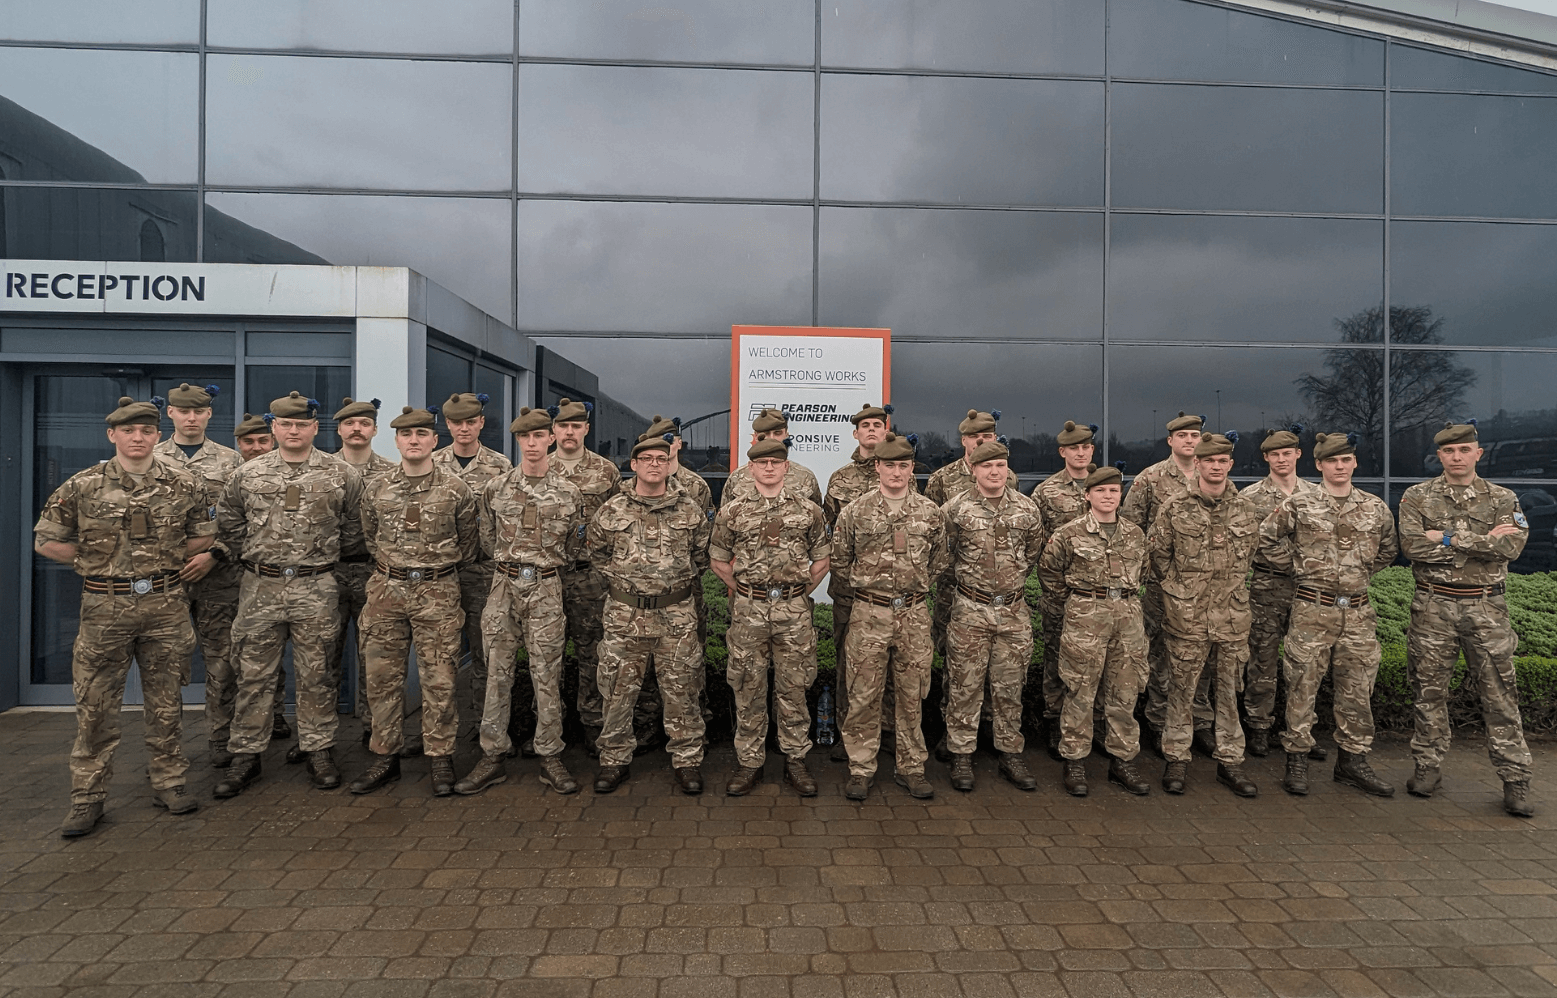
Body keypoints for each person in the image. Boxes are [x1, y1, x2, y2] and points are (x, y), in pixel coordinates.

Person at [37, 396, 215, 838]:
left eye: (146, 431)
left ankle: (170, 783)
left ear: (158, 435)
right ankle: (87, 798)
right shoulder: (83, 486)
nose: (138, 438)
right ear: (112, 434)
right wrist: (96, 561)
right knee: (96, 705)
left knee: (166, 701)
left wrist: (163, 557)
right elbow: (47, 540)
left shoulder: (185, 483)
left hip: (165, 604)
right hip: (104, 606)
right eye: (129, 431)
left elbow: (204, 535)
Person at [213, 392, 364, 799]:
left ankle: (319, 749)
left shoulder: (340, 474)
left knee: (318, 672)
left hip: (316, 585)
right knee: (253, 674)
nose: (294, 430)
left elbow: (354, 528)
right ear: (274, 428)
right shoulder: (248, 474)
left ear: (315, 428)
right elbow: (228, 524)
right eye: (286, 424)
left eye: (302, 424)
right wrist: (263, 556)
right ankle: (246, 753)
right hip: (261, 586)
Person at [1398, 420, 1535, 817]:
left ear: (1479, 453)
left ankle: (1515, 779)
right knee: (1428, 690)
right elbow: (1411, 548)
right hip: (1433, 606)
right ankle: (1427, 766)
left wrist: (1445, 538)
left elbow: (1510, 547)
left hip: (1486, 608)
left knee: (1499, 695)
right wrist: (1484, 543)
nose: (1456, 457)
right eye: (1448, 451)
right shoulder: (1417, 496)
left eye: (1464, 450)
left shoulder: (1503, 497)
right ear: (1439, 455)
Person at [1258, 432, 1398, 799]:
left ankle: (1352, 760)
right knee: (1302, 683)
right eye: (1332, 461)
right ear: (1318, 465)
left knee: (1357, 688)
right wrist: (1298, 567)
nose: (1340, 466)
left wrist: (1358, 574)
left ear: (1354, 463)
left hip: (1356, 611)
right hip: (1311, 608)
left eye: (1346, 459)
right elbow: (1265, 539)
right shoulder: (1299, 505)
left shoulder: (1374, 507)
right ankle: (1297, 757)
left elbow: (1388, 549)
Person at [347, 406, 478, 797]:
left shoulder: (456, 489)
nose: (415, 441)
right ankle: (385, 756)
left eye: (422, 434)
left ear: (435, 441)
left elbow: (468, 544)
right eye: (407, 435)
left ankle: (441, 758)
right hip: (387, 590)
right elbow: (370, 538)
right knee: (382, 679)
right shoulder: (377, 488)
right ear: (397, 441)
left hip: (438, 592)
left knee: (440, 679)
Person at [152, 383, 283, 768]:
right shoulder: (152, 459)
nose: (190, 418)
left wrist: (215, 552)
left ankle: (220, 738)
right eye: (182, 411)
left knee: (223, 664)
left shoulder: (233, 464)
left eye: (198, 412)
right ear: (170, 414)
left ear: (209, 415)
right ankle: (166, 750)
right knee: (165, 668)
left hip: (220, 579)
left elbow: (246, 521)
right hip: (165, 582)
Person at [456, 406, 585, 797]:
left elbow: (575, 545)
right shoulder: (497, 489)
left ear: (551, 439)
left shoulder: (569, 492)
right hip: (504, 587)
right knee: (497, 671)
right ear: (518, 441)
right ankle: (493, 755)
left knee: (548, 672)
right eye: (524, 438)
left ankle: (550, 754)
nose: (532, 443)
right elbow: (487, 539)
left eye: (539, 436)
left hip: (546, 587)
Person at [589, 434, 712, 795]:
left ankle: (687, 760)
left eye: (661, 458)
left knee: (683, 690)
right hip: (625, 617)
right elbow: (597, 555)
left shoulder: (689, 510)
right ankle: (614, 760)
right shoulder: (612, 510)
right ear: (635, 465)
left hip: (676, 616)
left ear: (669, 462)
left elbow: (700, 558)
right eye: (648, 459)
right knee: (616, 690)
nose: (655, 464)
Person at [709, 438, 830, 797]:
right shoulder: (733, 511)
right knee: (748, 685)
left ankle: (795, 760)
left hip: (793, 611)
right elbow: (717, 560)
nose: (769, 468)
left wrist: (799, 592)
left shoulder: (808, 511)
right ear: (750, 469)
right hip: (749, 611)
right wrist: (747, 590)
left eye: (776, 462)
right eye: (762, 463)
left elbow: (822, 558)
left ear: (786, 467)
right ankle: (750, 762)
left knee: (794, 686)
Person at [831, 432, 948, 801]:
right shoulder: (855, 511)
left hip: (913, 614)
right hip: (869, 613)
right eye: (889, 465)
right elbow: (839, 560)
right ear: (877, 466)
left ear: (911, 468)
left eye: (903, 465)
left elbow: (940, 561)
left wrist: (913, 589)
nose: (896, 472)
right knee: (863, 694)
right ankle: (861, 768)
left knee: (912, 694)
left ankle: (911, 767)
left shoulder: (929, 513)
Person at [1148, 432, 1262, 798]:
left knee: (1229, 693)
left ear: (1230, 464)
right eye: (1209, 460)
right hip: (1188, 618)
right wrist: (1178, 592)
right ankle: (1176, 758)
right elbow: (1158, 556)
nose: (1216, 466)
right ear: (1196, 463)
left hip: (1231, 617)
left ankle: (1230, 762)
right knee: (1181, 691)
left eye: (1223, 460)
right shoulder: (1174, 507)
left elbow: (1250, 554)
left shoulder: (1245, 509)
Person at [1038, 463, 1152, 797]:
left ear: (1121, 495)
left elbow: (1142, 572)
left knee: (1124, 691)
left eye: (1113, 491)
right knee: (1080, 691)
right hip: (1085, 617)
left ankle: (1122, 760)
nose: (1108, 496)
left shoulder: (1134, 534)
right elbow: (1050, 573)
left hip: (1127, 619)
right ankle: (1074, 760)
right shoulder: (1070, 533)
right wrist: (1076, 605)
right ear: (1087, 495)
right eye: (1100, 490)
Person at [940, 439, 1042, 792]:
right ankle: (961, 754)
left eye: (1000, 465)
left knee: (1010, 686)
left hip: (1013, 612)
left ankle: (1010, 753)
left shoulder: (1027, 510)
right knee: (964, 685)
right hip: (970, 609)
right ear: (974, 470)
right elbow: (944, 557)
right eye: (987, 466)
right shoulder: (955, 510)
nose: (995, 472)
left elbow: (1031, 554)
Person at [1122, 411, 1212, 755]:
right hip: (1164, 588)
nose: (1190, 441)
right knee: (1160, 654)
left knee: (1203, 656)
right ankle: (1159, 721)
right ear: (1171, 440)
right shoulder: (1151, 479)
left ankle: (1200, 721)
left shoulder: (1210, 475)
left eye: (1195, 435)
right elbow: (1133, 529)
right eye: (1184, 436)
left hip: (1206, 589)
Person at [630, 414, 715, 753]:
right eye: (656, 441)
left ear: (678, 443)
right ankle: (650, 725)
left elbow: (702, 547)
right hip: (641, 598)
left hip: (685, 594)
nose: (664, 447)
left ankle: (695, 726)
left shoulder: (697, 487)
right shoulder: (637, 484)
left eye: (669, 440)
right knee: (646, 665)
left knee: (689, 663)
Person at [1239, 425, 1322, 758]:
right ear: (1266, 458)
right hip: (1268, 584)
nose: (1282, 459)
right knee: (1263, 658)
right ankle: (1259, 726)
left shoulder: (1319, 495)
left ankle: (1301, 731)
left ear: (1298, 455)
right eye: (1275, 455)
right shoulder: (1251, 497)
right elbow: (1248, 541)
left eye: (1288, 453)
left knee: (1308, 662)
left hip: (1309, 589)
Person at [431, 392, 512, 722]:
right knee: (440, 657)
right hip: (442, 573)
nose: (463, 429)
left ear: (480, 423)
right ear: (447, 424)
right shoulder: (433, 463)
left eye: (470, 422)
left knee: (486, 655)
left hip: (483, 573)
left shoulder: (500, 465)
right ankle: (440, 729)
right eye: (455, 423)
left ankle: (484, 726)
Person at [548, 397, 621, 756]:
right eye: (564, 426)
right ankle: (549, 726)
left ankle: (593, 723)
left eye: (576, 426)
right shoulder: (538, 469)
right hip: (547, 578)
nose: (570, 432)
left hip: (590, 578)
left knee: (593, 654)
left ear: (586, 430)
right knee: (547, 654)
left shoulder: (606, 472)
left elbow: (619, 525)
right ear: (554, 431)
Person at [823, 403, 893, 762]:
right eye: (864, 425)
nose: (870, 430)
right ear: (855, 433)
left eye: (876, 425)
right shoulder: (840, 479)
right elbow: (832, 536)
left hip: (892, 594)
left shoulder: (901, 473)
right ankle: (847, 731)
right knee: (848, 662)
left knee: (895, 664)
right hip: (851, 593)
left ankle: (890, 732)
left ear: (886, 430)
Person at [328, 397, 399, 753]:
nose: (357, 429)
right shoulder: (320, 470)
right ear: (339, 428)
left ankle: (375, 731)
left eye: (364, 423)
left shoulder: (391, 473)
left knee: (375, 658)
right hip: (328, 572)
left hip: (373, 572)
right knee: (323, 657)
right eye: (350, 423)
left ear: (374, 429)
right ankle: (319, 739)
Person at [1031, 419, 1099, 758]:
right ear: (1063, 452)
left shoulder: (1106, 485)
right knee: (1058, 658)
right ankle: (1053, 719)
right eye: (1075, 448)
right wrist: (1053, 591)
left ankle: (1093, 725)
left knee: (1099, 661)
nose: (1082, 452)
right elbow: (1036, 544)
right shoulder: (1045, 492)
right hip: (1063, 593)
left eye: (1086, 447)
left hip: (1100, 595)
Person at [720, 408, 823, 509]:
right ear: (756, 436)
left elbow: (817, 517)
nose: (771, 438)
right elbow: (725, 516)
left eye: (777, 433)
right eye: (765, 434)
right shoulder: (737, 477)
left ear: (786, 435)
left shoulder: (805, 477)